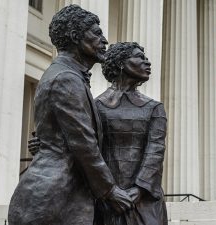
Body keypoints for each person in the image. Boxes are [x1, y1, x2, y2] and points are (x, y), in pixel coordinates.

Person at [8, 5, 132, 225]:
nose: (104, 40)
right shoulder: (66, 78)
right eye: (96, 33)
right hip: (52, 199)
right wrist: (110, 190)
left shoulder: (68, 76)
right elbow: (84, 144)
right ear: (76, 36)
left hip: (60, 196)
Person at [94, 42, 168, 225]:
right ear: (120, 63)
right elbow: (87, 149)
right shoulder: (96, 107)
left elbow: (155, 152)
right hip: (107, 199)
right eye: (140, 57)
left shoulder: (154, 108)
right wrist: (109, 192)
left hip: (145, 201)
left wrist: (139, 190)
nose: (147, 62)